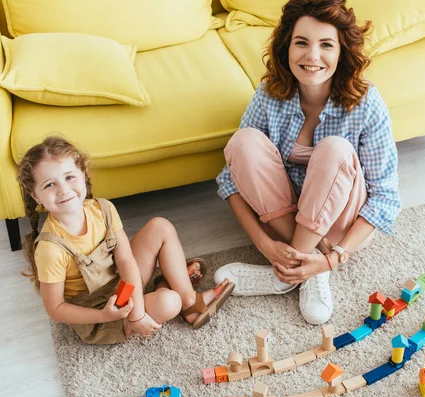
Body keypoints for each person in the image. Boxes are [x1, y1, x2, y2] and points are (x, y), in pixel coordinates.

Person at [213, 0, 401, 325]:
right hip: (283, 216)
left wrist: (333, 259)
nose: (312, 57)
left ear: (342, 52)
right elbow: (231, 178)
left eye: (326, 45)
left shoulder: (367, 103)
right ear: (287, 47)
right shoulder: (269, 94)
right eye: (302, 43)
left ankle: (289, 274)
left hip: (338, 227)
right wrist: (264, 243)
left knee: (334, 149)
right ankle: (302, 262)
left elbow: (385, 199)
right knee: (242, 142)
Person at [18, 136, 234, 344]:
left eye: (69, 177)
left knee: (160, 226)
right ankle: (165, 287)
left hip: (121, 282)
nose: (63, 189)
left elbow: (126, 261)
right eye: (49, 185)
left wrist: (137, 312)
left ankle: (189, 301)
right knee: (169, 302)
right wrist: (111, 316)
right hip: (99, 309)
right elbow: (55, 308)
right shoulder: (50, 249)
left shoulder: (103, 208)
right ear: (36, 196)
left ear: (83, 174)